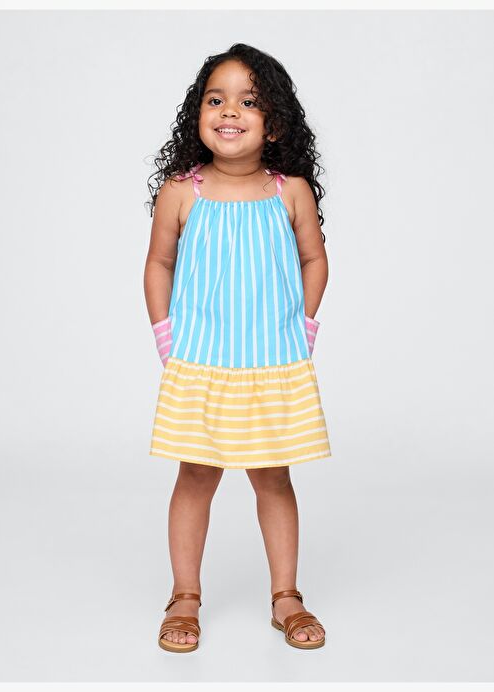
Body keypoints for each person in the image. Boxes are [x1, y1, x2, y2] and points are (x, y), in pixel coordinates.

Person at [144, 43, 332, 653]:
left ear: (274, 122)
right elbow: (159, 262)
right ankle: (184, 596)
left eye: (249, 101)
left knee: (273, 476)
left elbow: (314, 259)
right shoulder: (182, 191)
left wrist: (303, 327)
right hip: (201, 362)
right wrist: (165, 334)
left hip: (272, 363)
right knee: (195, 474)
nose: (229, 111)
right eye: (215, 99)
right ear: (197, 114)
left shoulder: (289, 191)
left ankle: (286, 596)